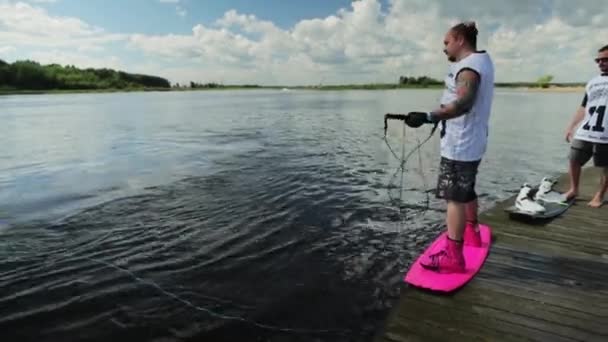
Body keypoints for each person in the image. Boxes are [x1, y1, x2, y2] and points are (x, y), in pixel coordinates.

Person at [403, 21, 495, 273]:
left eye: (446, 42)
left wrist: (428, 116)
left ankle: (454, 256)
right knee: (466, 190)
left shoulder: (468, 68)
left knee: (454, 198)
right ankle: (473, 232)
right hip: (472, 141)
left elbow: (464, 103)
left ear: (460, 40)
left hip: (460, 145)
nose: (444, 48)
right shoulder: (482, 60)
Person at [564, 45, 608, 208]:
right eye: (599, 60)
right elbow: (584, 107)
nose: (600, 63)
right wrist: (571, 126)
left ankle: (600, 195)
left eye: (605, 59)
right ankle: (574, 189)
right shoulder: (593, 82)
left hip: (606, 134)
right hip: (586, 131)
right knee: (574, 160)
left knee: (606, 167)